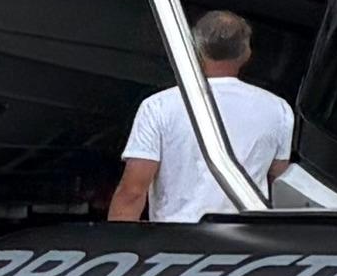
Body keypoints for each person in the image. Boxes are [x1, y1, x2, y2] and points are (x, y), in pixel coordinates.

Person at [111, 11, 296, 222]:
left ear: (196, 49)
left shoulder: (159, 106)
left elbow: (133, 191)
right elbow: (282, 185)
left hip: (177, 243)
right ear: (246, 53)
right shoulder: (277, 109)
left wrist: (114, 247)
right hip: (247, 243)